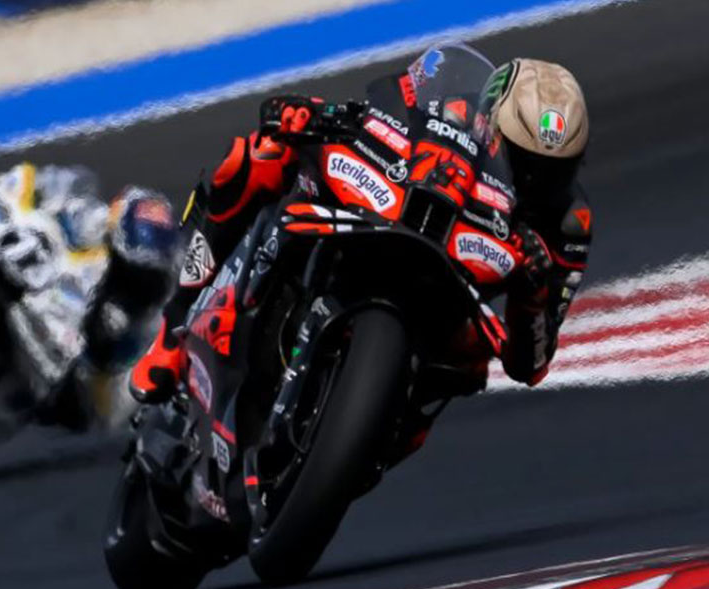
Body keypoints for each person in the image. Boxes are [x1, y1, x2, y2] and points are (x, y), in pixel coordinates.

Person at [129, 44, 593, 403]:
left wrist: (533, 296)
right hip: (394, 219)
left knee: (470, 368)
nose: (535, 183)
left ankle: (369, 437)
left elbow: (529, 365)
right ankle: (172, 330)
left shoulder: (568, 225)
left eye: (555, 172)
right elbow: (385, 108)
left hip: (448, 310)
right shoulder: (455, 113)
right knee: (260, 153)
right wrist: (315, 116)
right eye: (523, 162)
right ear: (490, 127)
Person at [0, 162, 180, 427]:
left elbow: (115, 399)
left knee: (32, 413)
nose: (131, 276)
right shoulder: (89, 218)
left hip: (47, 352)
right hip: (27, 281)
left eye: (138, 272)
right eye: (126, 265)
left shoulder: (138, 313)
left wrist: (94, 375)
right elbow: (35, 189)